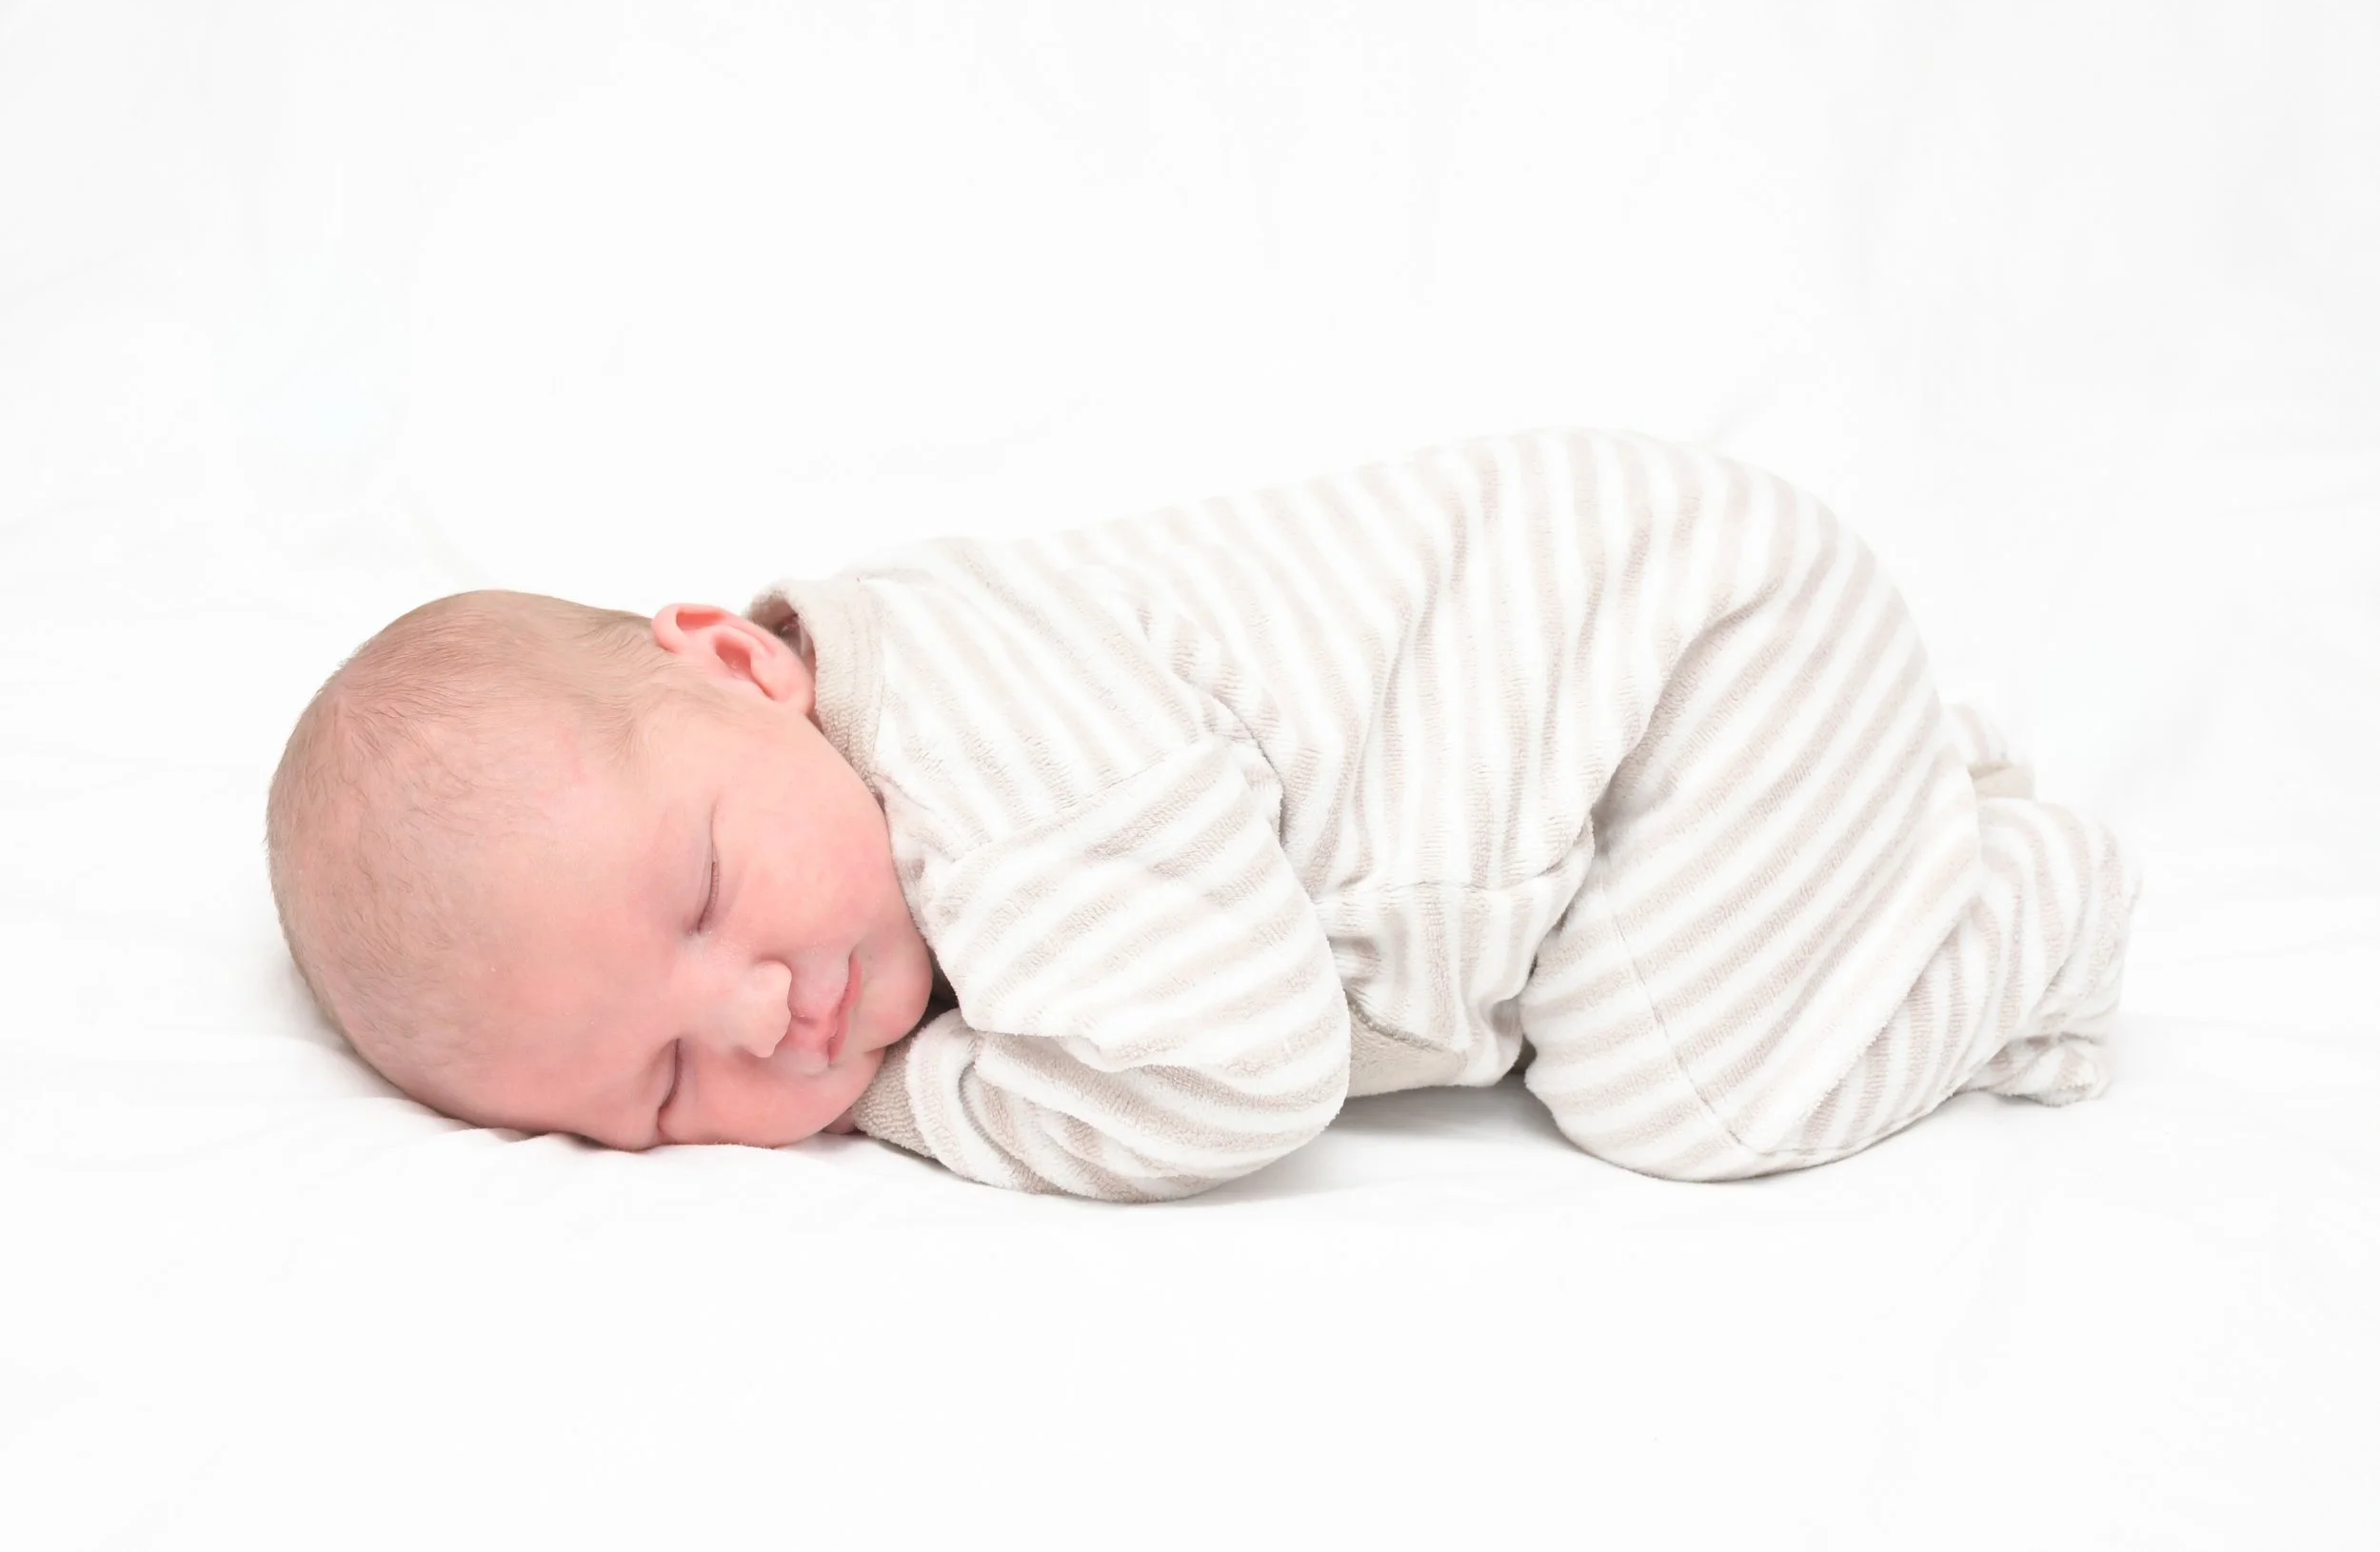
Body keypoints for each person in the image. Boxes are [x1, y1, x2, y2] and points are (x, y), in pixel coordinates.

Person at [265, 428, 2140, 1202]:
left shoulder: (979, 758)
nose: (756, 1014)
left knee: (1683, 1091)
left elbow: (1241, 1067)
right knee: (1648, 1009)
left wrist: (915, 1098)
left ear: (743, 668)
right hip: (1656, 730)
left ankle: (2020, 902)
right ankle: (1876, 808)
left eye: (700, 897)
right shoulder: (863, 766)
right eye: (664, 1087)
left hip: (1695, 657)